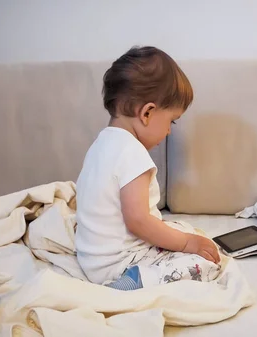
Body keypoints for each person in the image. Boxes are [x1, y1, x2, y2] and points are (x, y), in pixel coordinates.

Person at [75, 46, 221, 290]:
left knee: (179, 228)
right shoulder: (132, 153)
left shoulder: (101, 144)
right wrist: (187, 244)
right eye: (171, 121)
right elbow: (138, 221)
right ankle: (134, 282)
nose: (169, 131)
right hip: (120, 263)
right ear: (147, 112)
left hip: (92, 260)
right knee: (204, 263)